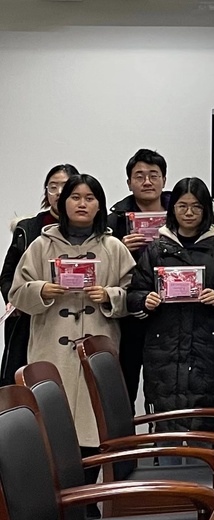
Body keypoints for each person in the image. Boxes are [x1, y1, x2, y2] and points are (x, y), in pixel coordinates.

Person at [9, 173, 134, 486]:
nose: (82, 204)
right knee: (53, 427)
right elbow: (16, 294)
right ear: (62, 203)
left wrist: (110, 295)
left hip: (96, 350)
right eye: (75, 197)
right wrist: (40, 290)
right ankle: (59, 498)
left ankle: (87, 496)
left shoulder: (114, 247)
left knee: (95, 426)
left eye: (90, 198)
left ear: (99, 206)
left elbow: (133, 295)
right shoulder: (41, 245)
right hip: (52, 349)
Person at [127, 177, 214, 439]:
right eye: (182, 206)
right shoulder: (155, 250)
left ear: (206, 210)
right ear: (173, 209)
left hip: (210, 349)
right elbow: (133, 294)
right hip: (164, 349)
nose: (189, 213)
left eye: (196, 206)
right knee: (167, 424)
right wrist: (145, 300)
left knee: (210, 427)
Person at [0, 163, 78, 386]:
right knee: (23, 383)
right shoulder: (27, 229)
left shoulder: (89, 228)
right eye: (53, 187)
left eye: (65, 186)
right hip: (29, 317)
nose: (59, 193)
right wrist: (15, 298)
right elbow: (7, 276)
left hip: (71, 316)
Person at [107, 148, 170, 409]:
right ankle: (124, 433)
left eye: (153, 175)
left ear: (164, 180)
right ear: (129, 182)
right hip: (129, 314)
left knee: (167, 390)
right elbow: (103, 266)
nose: (147, 182)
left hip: (169, 311)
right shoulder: (113, 221)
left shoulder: (181, 214)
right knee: (124, 389)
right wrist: (120, 247)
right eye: (139, 176)